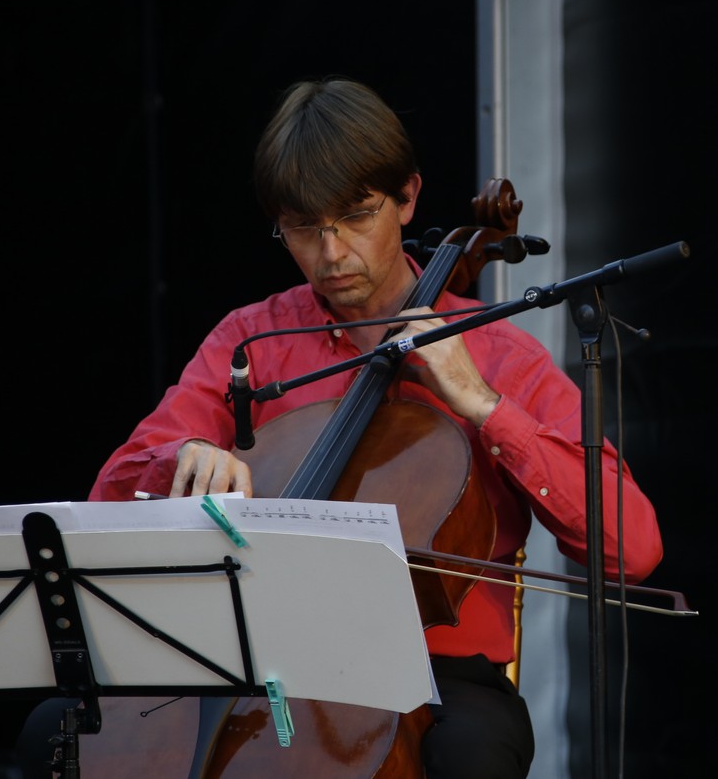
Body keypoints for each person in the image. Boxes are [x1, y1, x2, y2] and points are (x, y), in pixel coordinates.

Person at [89, 78, 663, 778]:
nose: (331, 255)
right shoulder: (252, 342)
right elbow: (111, 493)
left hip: (437, 679)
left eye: (356, 217)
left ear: (407, 197)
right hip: (259, 661)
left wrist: (484, 405)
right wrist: (185, 457)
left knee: (470, 756)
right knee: (61, 735)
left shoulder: (498, 355)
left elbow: (633, 547)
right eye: (303, 228)